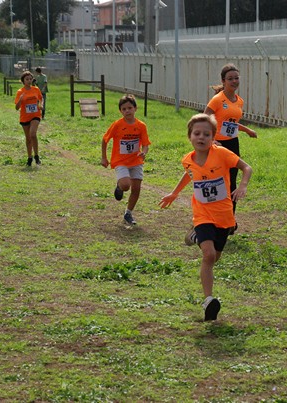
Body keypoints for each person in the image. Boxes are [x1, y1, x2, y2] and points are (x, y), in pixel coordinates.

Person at [160, 113, 253, 321]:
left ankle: (195, 237)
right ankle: (208, 299)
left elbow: (246, 167)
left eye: (206, 134)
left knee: (214, 257)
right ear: (190, 136)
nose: (201, 137)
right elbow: (189, 173)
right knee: (209, 255)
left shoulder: (222, 154)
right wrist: (174, 193)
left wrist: (243, 185)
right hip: (202, 213)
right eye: (197, 133)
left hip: (224, 215)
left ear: (213, 138)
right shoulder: (188, 160)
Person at [204, 63, 257, 234]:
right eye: (230, 79)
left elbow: (230, 122)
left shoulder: (239, 100)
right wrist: (211, 140)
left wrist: (247, 130)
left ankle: (230, 222)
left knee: (232, 183)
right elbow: (206, 119)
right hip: (218, 144)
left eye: (236, 78)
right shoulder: (218, 99)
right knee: (218, 182)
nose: (234, 81)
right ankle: (210, 218)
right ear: (223, 81)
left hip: (233, 144)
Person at [101, 94, 151, 226]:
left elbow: (145, 143)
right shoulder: (117, 125)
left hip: (136, 161)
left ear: (135, 108)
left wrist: (144, 152)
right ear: (120, 111)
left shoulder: (141, 126)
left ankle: (128, 213)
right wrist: (104, 157)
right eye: (124, 109)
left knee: (136, 189)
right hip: (120, 161)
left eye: (129, 108)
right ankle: (119, 186)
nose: (127, 111)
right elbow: (105, 139)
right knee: (125, 185)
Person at [14, 71, 43, 166]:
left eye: (30, 79)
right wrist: (20, 100)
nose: (29, 81)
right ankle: (29, 157)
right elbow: (17, 107)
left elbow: (40, 99)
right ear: (23, 81)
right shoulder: (20, 92)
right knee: (28, 138)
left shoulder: (36, 89)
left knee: (33, 134)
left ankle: (37, 155)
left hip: (35, 115)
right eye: (27, 79)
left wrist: (40, 105)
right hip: (25, 117)